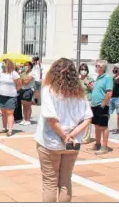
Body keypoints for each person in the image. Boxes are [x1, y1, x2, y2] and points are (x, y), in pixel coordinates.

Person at [35, 58, 93, 202]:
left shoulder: (49, 90)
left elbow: (51, 119)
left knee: (50, 183)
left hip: (50, 142)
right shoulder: (80, 93)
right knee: (66, 181)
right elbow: (88, 118)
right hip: (72, 144)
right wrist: (72, 135)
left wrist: (64, 135)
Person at [87, 60, 113, 155]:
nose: (96, 67)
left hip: (102, 105)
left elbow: (109, 92)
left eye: (97, 66)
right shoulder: (98, 77)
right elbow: (97, 90)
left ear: (102, 68)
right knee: (97, 125)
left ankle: (104, 146)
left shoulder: (107, 78)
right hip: (94, 105)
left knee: (103, 126)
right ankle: (97, 144)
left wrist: (103, 104)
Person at [0, 59, 21, 137]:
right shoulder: (0, 73)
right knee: (3, 113)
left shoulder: (14, 74)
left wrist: (13, 91)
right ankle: (4, 128)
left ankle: (10, 130)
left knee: (10, 113)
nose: (2, 65)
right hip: (1, 95)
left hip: (10, 96)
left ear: (8, 64)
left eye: (4, 63)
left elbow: (19, 85)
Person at [79, 63, 94, 144]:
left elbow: (94, 89)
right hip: (79, 101)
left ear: (87, 71)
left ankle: (86, 138)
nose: (83, 71)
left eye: (84, 69)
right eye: (81, 69)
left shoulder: (90, 79)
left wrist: (87, 83)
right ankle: (80, 136)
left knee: (87, 119)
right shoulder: (78, 79)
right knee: (80, 120)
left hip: (88, 101)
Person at [20, 61, 35, 126]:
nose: (25, 66)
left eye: (27, 65)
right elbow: (20, 81)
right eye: (24, 65)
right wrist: (23, 79)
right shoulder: (23, 73)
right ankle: (24, 119)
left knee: (28, 106)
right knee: (23, 105)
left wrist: (22, 80)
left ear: (30, 66)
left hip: (29, 90)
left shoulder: (32, 73)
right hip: (23, 89)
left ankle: (28, 120)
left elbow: (26, 82)